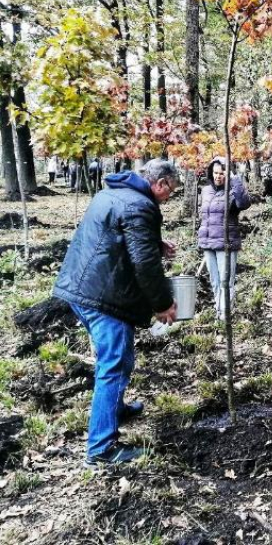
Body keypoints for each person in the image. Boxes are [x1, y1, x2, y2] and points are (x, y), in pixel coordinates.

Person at [53, 160, 179, 465]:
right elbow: (145, 266)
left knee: (119, 357)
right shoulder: (140, 206)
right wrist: (163, 304)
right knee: (114, 364)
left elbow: (113, 235)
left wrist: (154, 242)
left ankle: (114, 409)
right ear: (160, 183)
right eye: (171, 190)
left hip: (82, 287)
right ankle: (101, 448)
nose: (169, 196)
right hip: (103, 297)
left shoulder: (113, 192)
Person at [198, 157, 251, 320]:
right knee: (214, 281)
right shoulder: (206, 190)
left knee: (225, 281)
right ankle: (218, 311)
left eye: (222, 173)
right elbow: (204, 216)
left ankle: (225, 315)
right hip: (208, 243)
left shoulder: (233, 191)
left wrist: (234, 179)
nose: (218, 176)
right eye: (215, 173)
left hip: (226, 243)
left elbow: (244, 203)